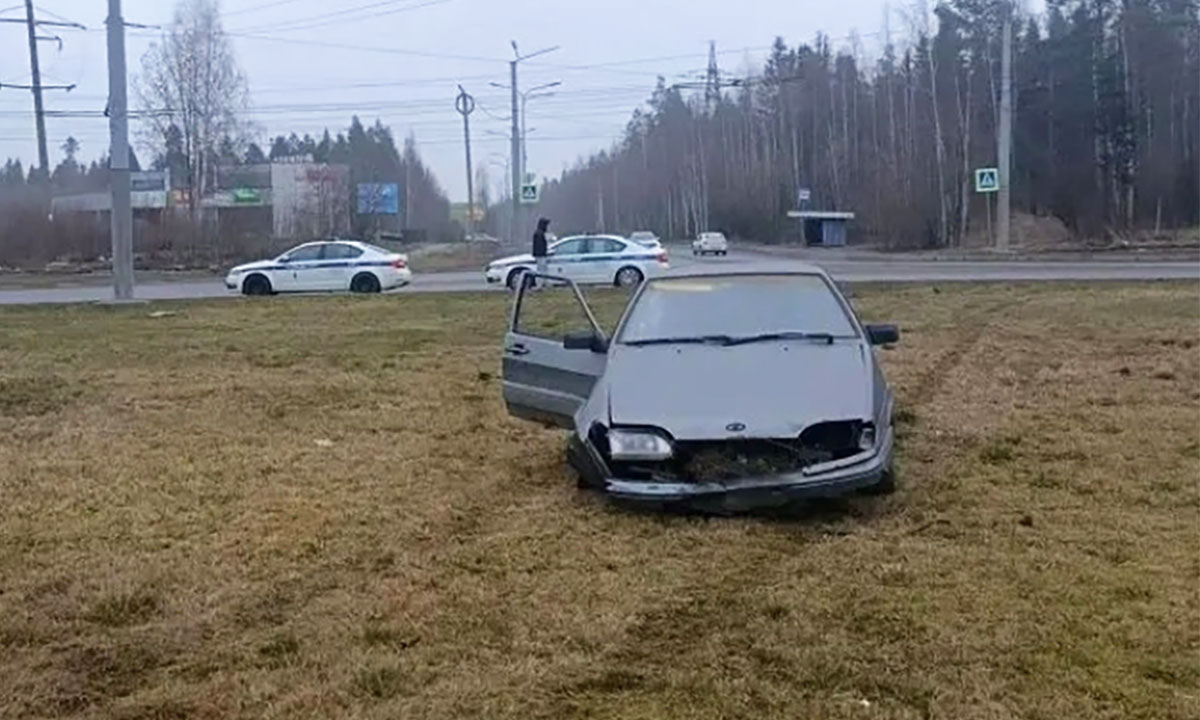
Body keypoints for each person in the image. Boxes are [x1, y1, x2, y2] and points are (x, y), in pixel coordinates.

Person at [532, 217, 551, 285]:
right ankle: (540, 283)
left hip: (539, 255)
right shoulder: (540, 234)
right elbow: (540, 246)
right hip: (541, 255)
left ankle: (543, 282)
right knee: (541, 269)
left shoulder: (538, 233)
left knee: (542, 269)